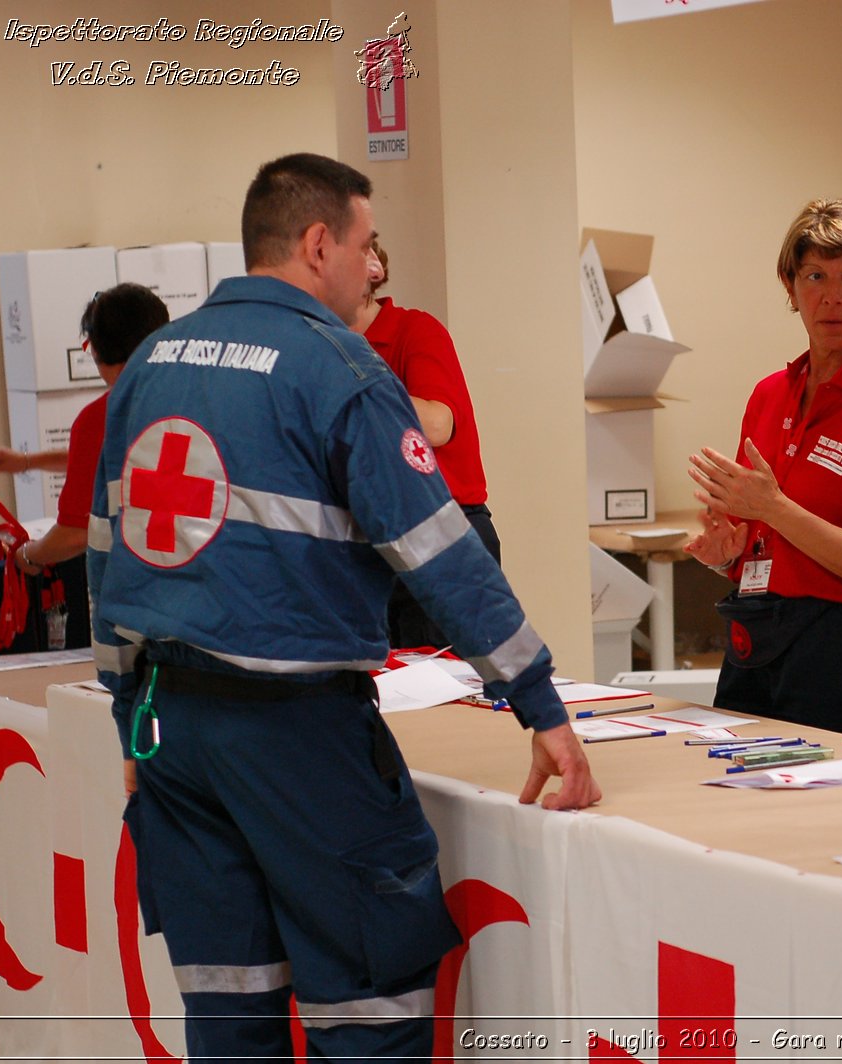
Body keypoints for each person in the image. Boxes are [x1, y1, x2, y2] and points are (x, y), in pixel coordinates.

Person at [89, 152, 600, 1062]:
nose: (374, 267)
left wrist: (130, 714)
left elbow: (106, 560)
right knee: (368, 1009)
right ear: (318, 243)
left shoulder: (149, 366)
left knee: (229, 1019)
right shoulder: (340, 369)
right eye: (366, 247)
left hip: (171, 738)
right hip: (298, 739)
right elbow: (443, 555)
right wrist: (541, 704)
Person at [684, 199, 842, 734]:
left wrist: (773, 510)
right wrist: (730, 553)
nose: (833, 296)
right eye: (815, 275)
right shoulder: (769, 394)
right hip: (757, 637)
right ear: (790, 286)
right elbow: (763, 534)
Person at [352, 238, 497, 648]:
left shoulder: (412, 330)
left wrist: (353, 374)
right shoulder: (314, 344)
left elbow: (436, 425)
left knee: (447, 693)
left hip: (442, 534)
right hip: (367, 541)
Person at [12, 284, 168, 580]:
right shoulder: (190, 395)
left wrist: (27, 555)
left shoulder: (102, 416)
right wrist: (27, 462)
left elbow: (75, 533)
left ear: (95, 350)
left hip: (134, 591)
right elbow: (102, 461)